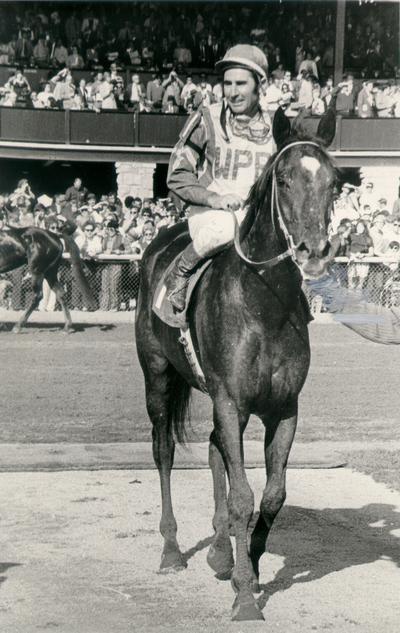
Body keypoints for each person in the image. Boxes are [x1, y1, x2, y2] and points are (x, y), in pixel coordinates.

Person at [165, 44, 275, 312]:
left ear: (260, 84)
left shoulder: (276, 123)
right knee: (226, 228)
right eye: (227, 84)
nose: (233, 92)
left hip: (255, 218)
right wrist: (215, 198)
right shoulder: (206, 118)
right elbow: (177, 175)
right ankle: (180, 271)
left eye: (241, 83)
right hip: (211, 215)